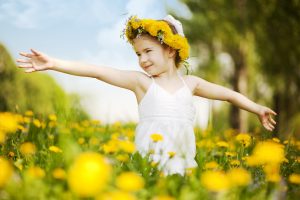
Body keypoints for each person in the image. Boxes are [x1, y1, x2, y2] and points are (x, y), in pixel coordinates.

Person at [16, 15, 277, 176]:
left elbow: (229, 95)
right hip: (147, 169)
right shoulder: (141, 83)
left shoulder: (192, 84)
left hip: (184, 168)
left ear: (171, 50)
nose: (142, 59)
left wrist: (256, 108)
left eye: (148, 51)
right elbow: (97, 71)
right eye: (138, 54)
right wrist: (53, 63)